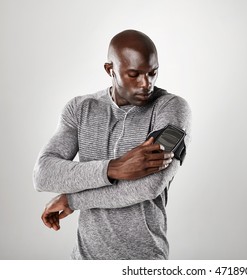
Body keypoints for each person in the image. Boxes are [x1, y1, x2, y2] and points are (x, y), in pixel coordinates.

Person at [32, 29, 191, 260]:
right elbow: (43, 175)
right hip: (83, 261)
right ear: (110, 70)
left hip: (144, 262)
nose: (145, 83)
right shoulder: (80, 109)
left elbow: (149, 186)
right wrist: (113, 168)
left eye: (152, 73)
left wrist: (73, 199)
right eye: (134, 74)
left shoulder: (171, 109)